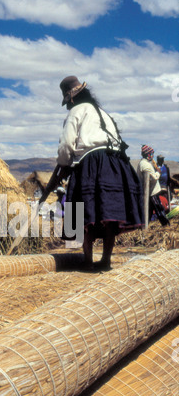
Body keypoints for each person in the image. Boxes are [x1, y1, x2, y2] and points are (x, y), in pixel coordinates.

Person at [57, 75, 144, 271]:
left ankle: (87, 260)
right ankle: (106, 260)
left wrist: (64, 164)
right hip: (116, 163)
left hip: (91, 162)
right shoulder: (104, 114)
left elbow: (66, 144)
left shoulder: (76, 112)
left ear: (70, 99)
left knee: (84, 210)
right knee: (109, 214)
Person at [137, 145, 170, 226]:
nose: (153, 156)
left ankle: (145, 224)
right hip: (152, 192)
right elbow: (154, 178)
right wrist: (158, 172)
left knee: (150, 210)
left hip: (149, 192)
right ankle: (166, 224)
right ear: (148, 155)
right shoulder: (146, 165)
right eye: (152, 154)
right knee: (159, 209)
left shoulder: (143, 163)